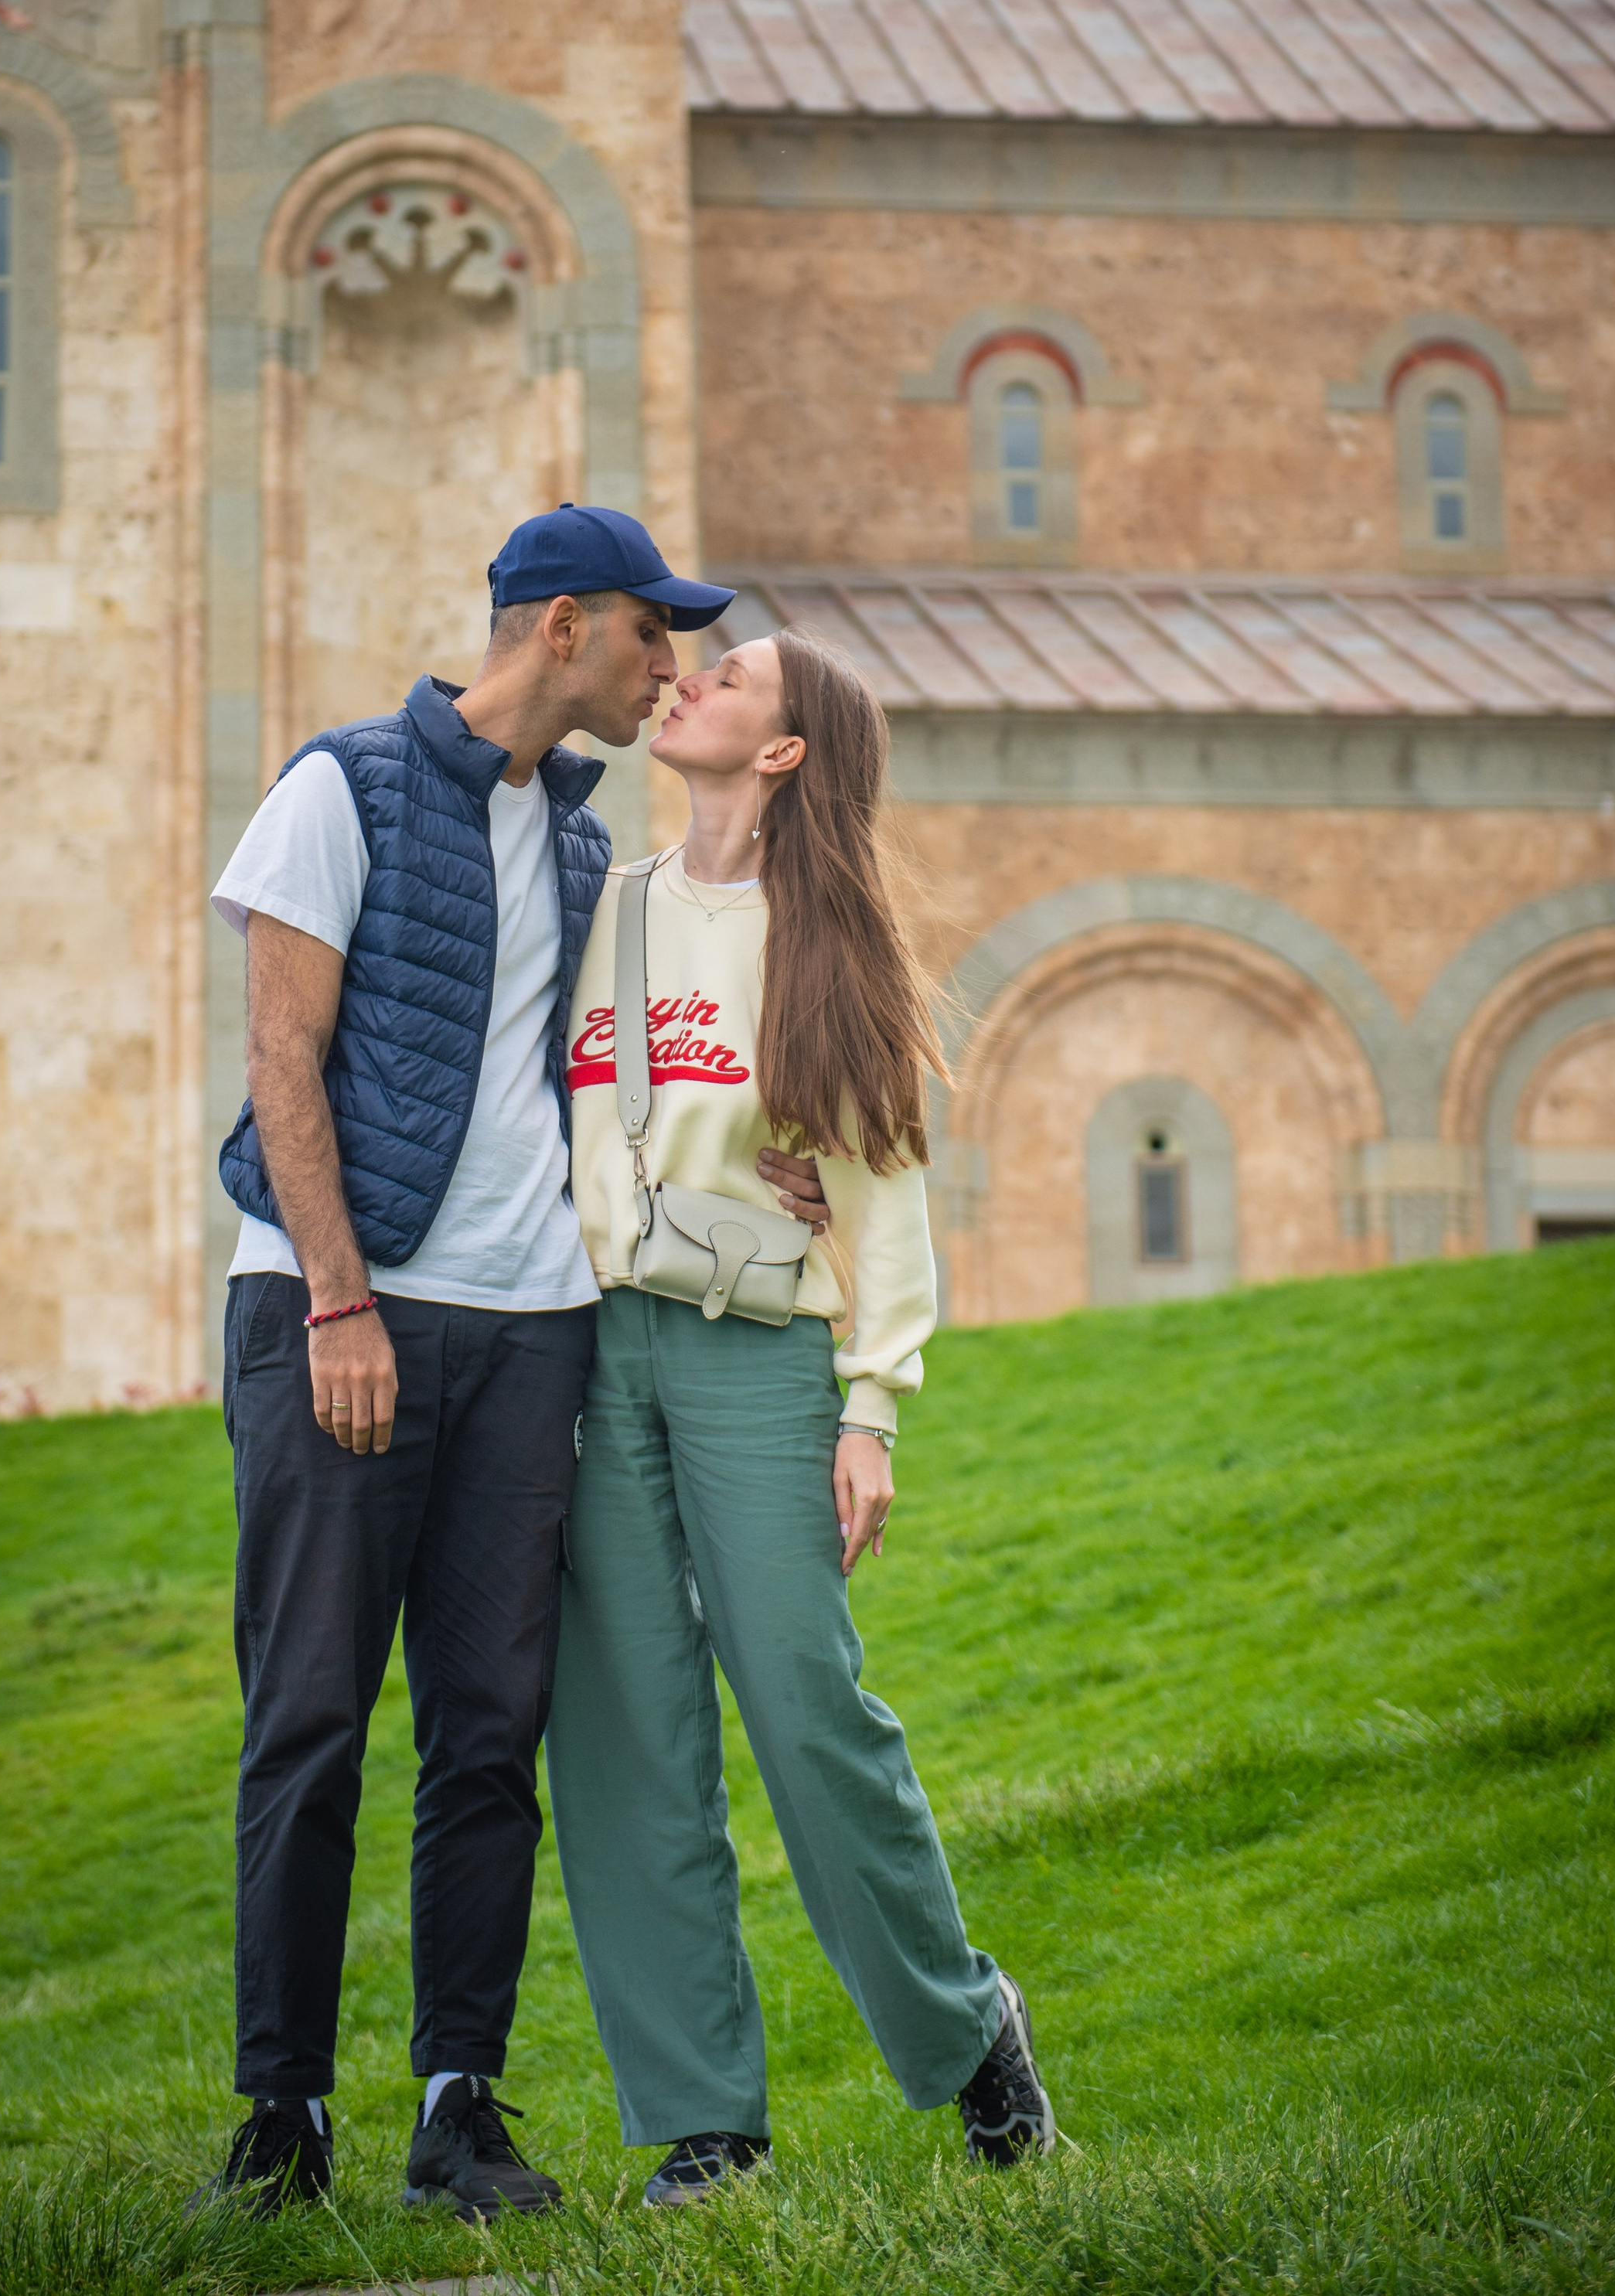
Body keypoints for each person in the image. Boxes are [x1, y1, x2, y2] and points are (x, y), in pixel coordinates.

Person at [195, 507, 827, 2225]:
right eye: (646, 635)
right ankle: (280, 2119)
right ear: (560, 627)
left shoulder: (575, 843)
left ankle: (455, 2108)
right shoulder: (334, 788)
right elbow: (280, 1055)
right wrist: (338, 1299)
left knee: (488, 1735)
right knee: (311, 1719)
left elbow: (651, 1045)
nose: (666, 666)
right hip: (343, 1311)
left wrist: (766, 1150)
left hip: (533, 1329)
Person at [545, 625, 1056, 2207]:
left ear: (780, 750)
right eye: (690, 668)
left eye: (728, 677)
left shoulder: (824, 940)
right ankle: (705, 2123)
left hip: (758, 1358)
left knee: (805, 1706)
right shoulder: (598, 904)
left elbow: (882, 1189)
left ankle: (968, 2028)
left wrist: (870, 1407)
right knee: (624, 1734)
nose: (684, 680)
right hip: (586, 1350)